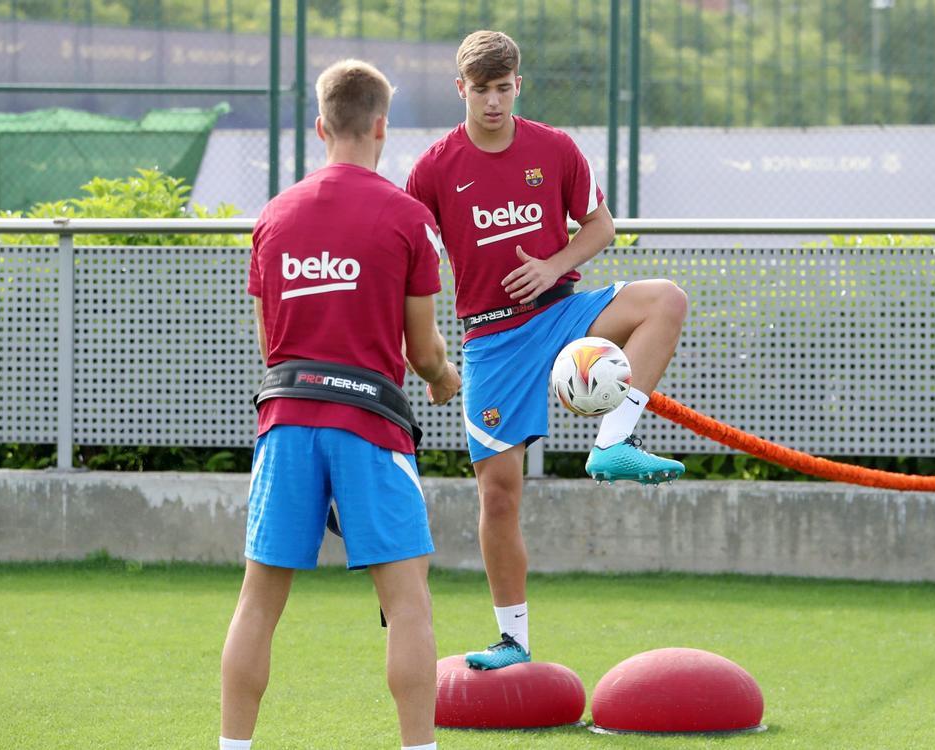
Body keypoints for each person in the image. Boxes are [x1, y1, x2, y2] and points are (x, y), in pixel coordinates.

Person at [405, 30, 688, 671]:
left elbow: (602, 227)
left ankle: (612, 444)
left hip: (563, 314)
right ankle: (514, 640)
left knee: (665, 299)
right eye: (482, 91)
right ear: (462, 91)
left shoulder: (554, 149)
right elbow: (405, 255)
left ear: (518, 86)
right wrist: (424, 353)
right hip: (491, 342)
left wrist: (552, 264)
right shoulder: (433, 168)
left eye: (504, 89)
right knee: (499, 496)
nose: (495, 102)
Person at [219, 59, 461, 750]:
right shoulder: (408, 218)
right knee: (407, 602)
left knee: (258, 602)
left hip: (287, 424)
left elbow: (273, 346)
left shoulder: (275, 216)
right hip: (371, 429)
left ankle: (233, 746)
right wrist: (446, 382)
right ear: (382, 126)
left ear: (320, 126)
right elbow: (424, 351)